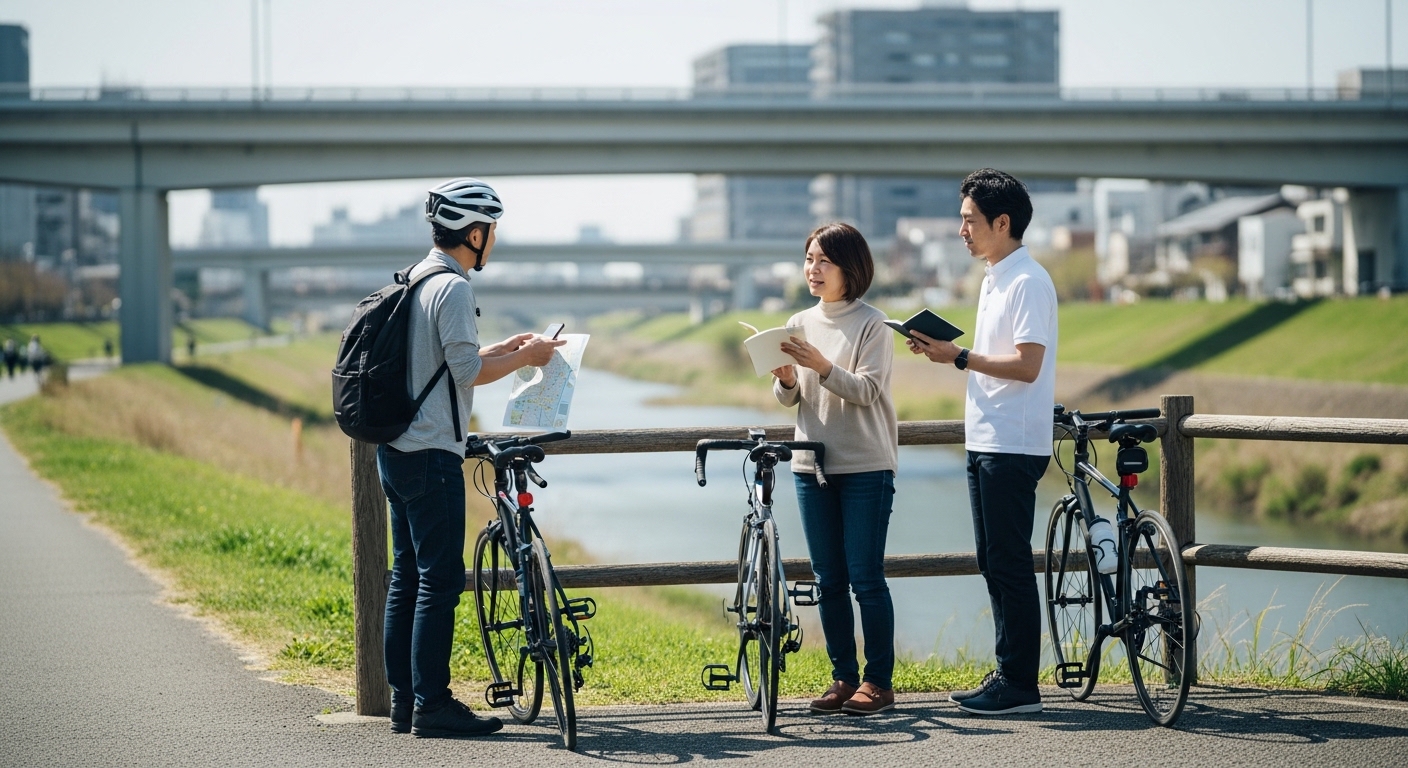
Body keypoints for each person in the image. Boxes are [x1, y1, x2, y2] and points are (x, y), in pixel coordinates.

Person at [379, 178, 565, 739]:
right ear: (476, 233)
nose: (495, 242)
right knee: (440, 581)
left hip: (397, 450)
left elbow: (445, 358)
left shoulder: (418, 278)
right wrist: (529, 357)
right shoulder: (454, 289)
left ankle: (404, 702)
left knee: (406, 576)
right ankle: (432, 706)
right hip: (434, 452)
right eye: (493, 233)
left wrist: (506, 348)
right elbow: (466, 373)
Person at [907, 169, 1057, 716]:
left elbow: (1028, 365)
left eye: (970, 220)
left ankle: (1019, 685)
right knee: (992, 560)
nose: (962, 229)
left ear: (1003, 222)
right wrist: (950, 353)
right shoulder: (997, 276)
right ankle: (1009, 674)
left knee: (1010, 562)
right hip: (987, 437)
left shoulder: (1027, 281)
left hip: (1013, 442)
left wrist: (960, 357)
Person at [772, 222, 899, 716]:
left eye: (823, 260)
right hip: (810, 464)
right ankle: (843, 678)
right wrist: (785, 380)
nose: (813, 269)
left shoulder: (874, 324)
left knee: (866, 576)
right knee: (827, 579)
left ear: (852, 267)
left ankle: (879, 683)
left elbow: (866, 391)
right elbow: (791, 398)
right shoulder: (798, 322)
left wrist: (821, 366)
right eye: (809, 259)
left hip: (866, 465)